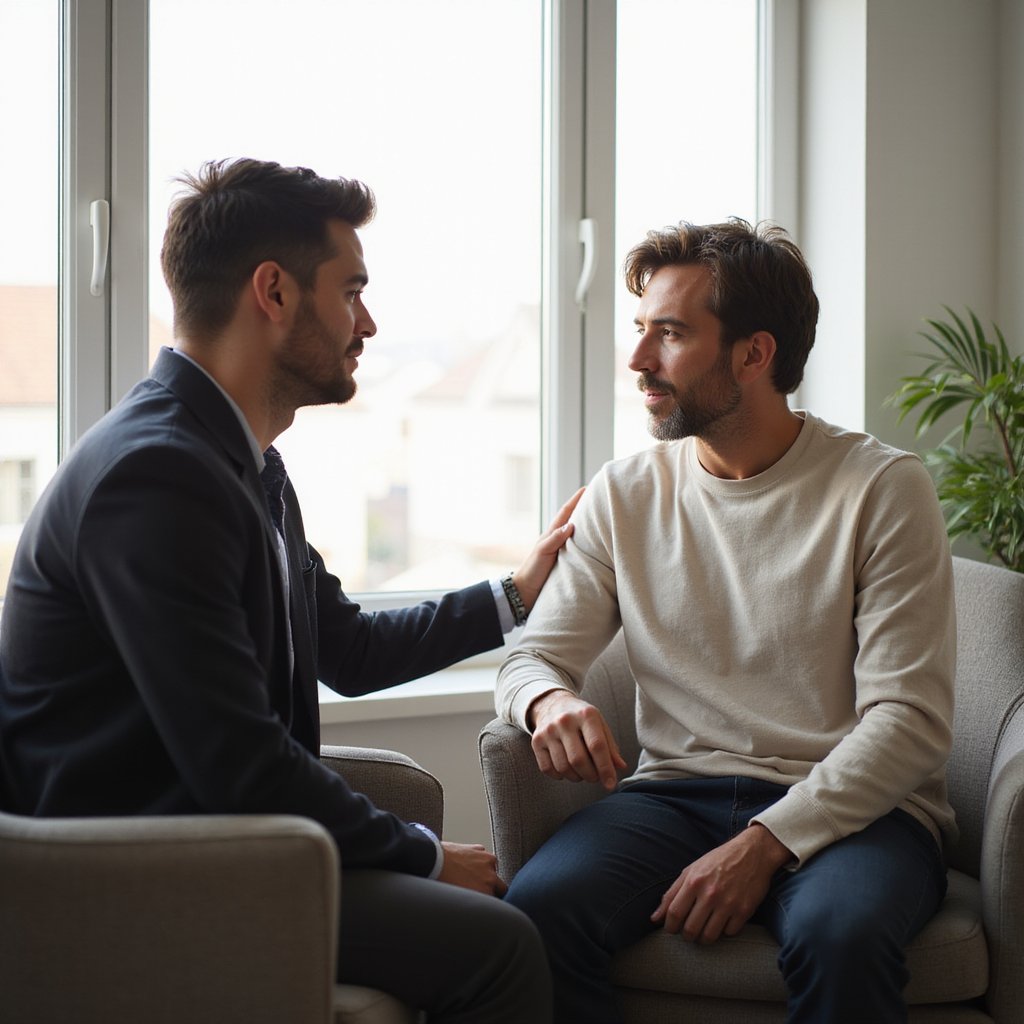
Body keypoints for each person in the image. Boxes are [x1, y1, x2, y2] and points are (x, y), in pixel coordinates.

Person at [0, 158, 578, 1023]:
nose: (368, 322)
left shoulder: (244, 461)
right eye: (351, 290)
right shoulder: (156, 476)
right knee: (503, 946)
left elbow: (344, 644)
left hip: (220, 846)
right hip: (128, 877)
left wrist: (514, 594)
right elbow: (240, 764)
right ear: (273, 292)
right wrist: (421, 856)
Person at [496, 218, 956, 1024]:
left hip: (861, 810)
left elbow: (909, 721)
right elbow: (533, 657)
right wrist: (548, 702)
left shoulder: (882, 487)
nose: (639, 361)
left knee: (839, 936)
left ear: (754, 353)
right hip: (676, 797)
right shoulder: (624, 492)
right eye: (640, 331)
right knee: (537, 914)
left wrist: (768, 842)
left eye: (670, 335)